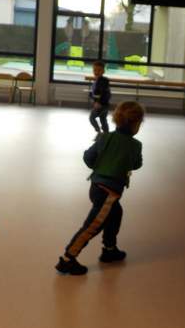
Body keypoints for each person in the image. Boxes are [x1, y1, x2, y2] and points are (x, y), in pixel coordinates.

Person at [56, 101, 144, 276]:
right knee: (93, 226)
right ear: (136, 124)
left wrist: (100, 166)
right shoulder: (135, 145)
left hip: (96, 187)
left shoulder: (104, 137)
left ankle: (109, 250)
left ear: (116, 119)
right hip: (109, 194)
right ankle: (67, 259)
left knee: (115, 214)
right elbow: (136, 164)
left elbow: (88, 157)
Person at [89, 60, 111, 137]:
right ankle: (106, 134)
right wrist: (91, 95)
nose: (96, 72)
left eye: (99, 70)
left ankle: (99, 132)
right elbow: (95, 92)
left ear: (103, 71)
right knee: (103, 119)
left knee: (92, 118)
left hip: (101, 105)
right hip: (103, 104)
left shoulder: (103, 81)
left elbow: (103, 93)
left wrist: (98, 102)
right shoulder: (97, 80)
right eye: (95, 70)